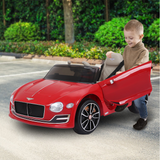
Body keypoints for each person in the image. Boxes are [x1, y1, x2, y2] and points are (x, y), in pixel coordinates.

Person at [106, 19, 149, 130]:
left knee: (139, 102)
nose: (127, 41)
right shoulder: (127, 48)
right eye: (126, 38)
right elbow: (122, 61)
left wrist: (125, 73)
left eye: (131, 38)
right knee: (110, 81)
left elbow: (138, 68)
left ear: (141, 36)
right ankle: (122, 101)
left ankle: (143, 118)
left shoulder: (144, 52)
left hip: (139, 81)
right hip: (127, 78)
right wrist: (113, 55)